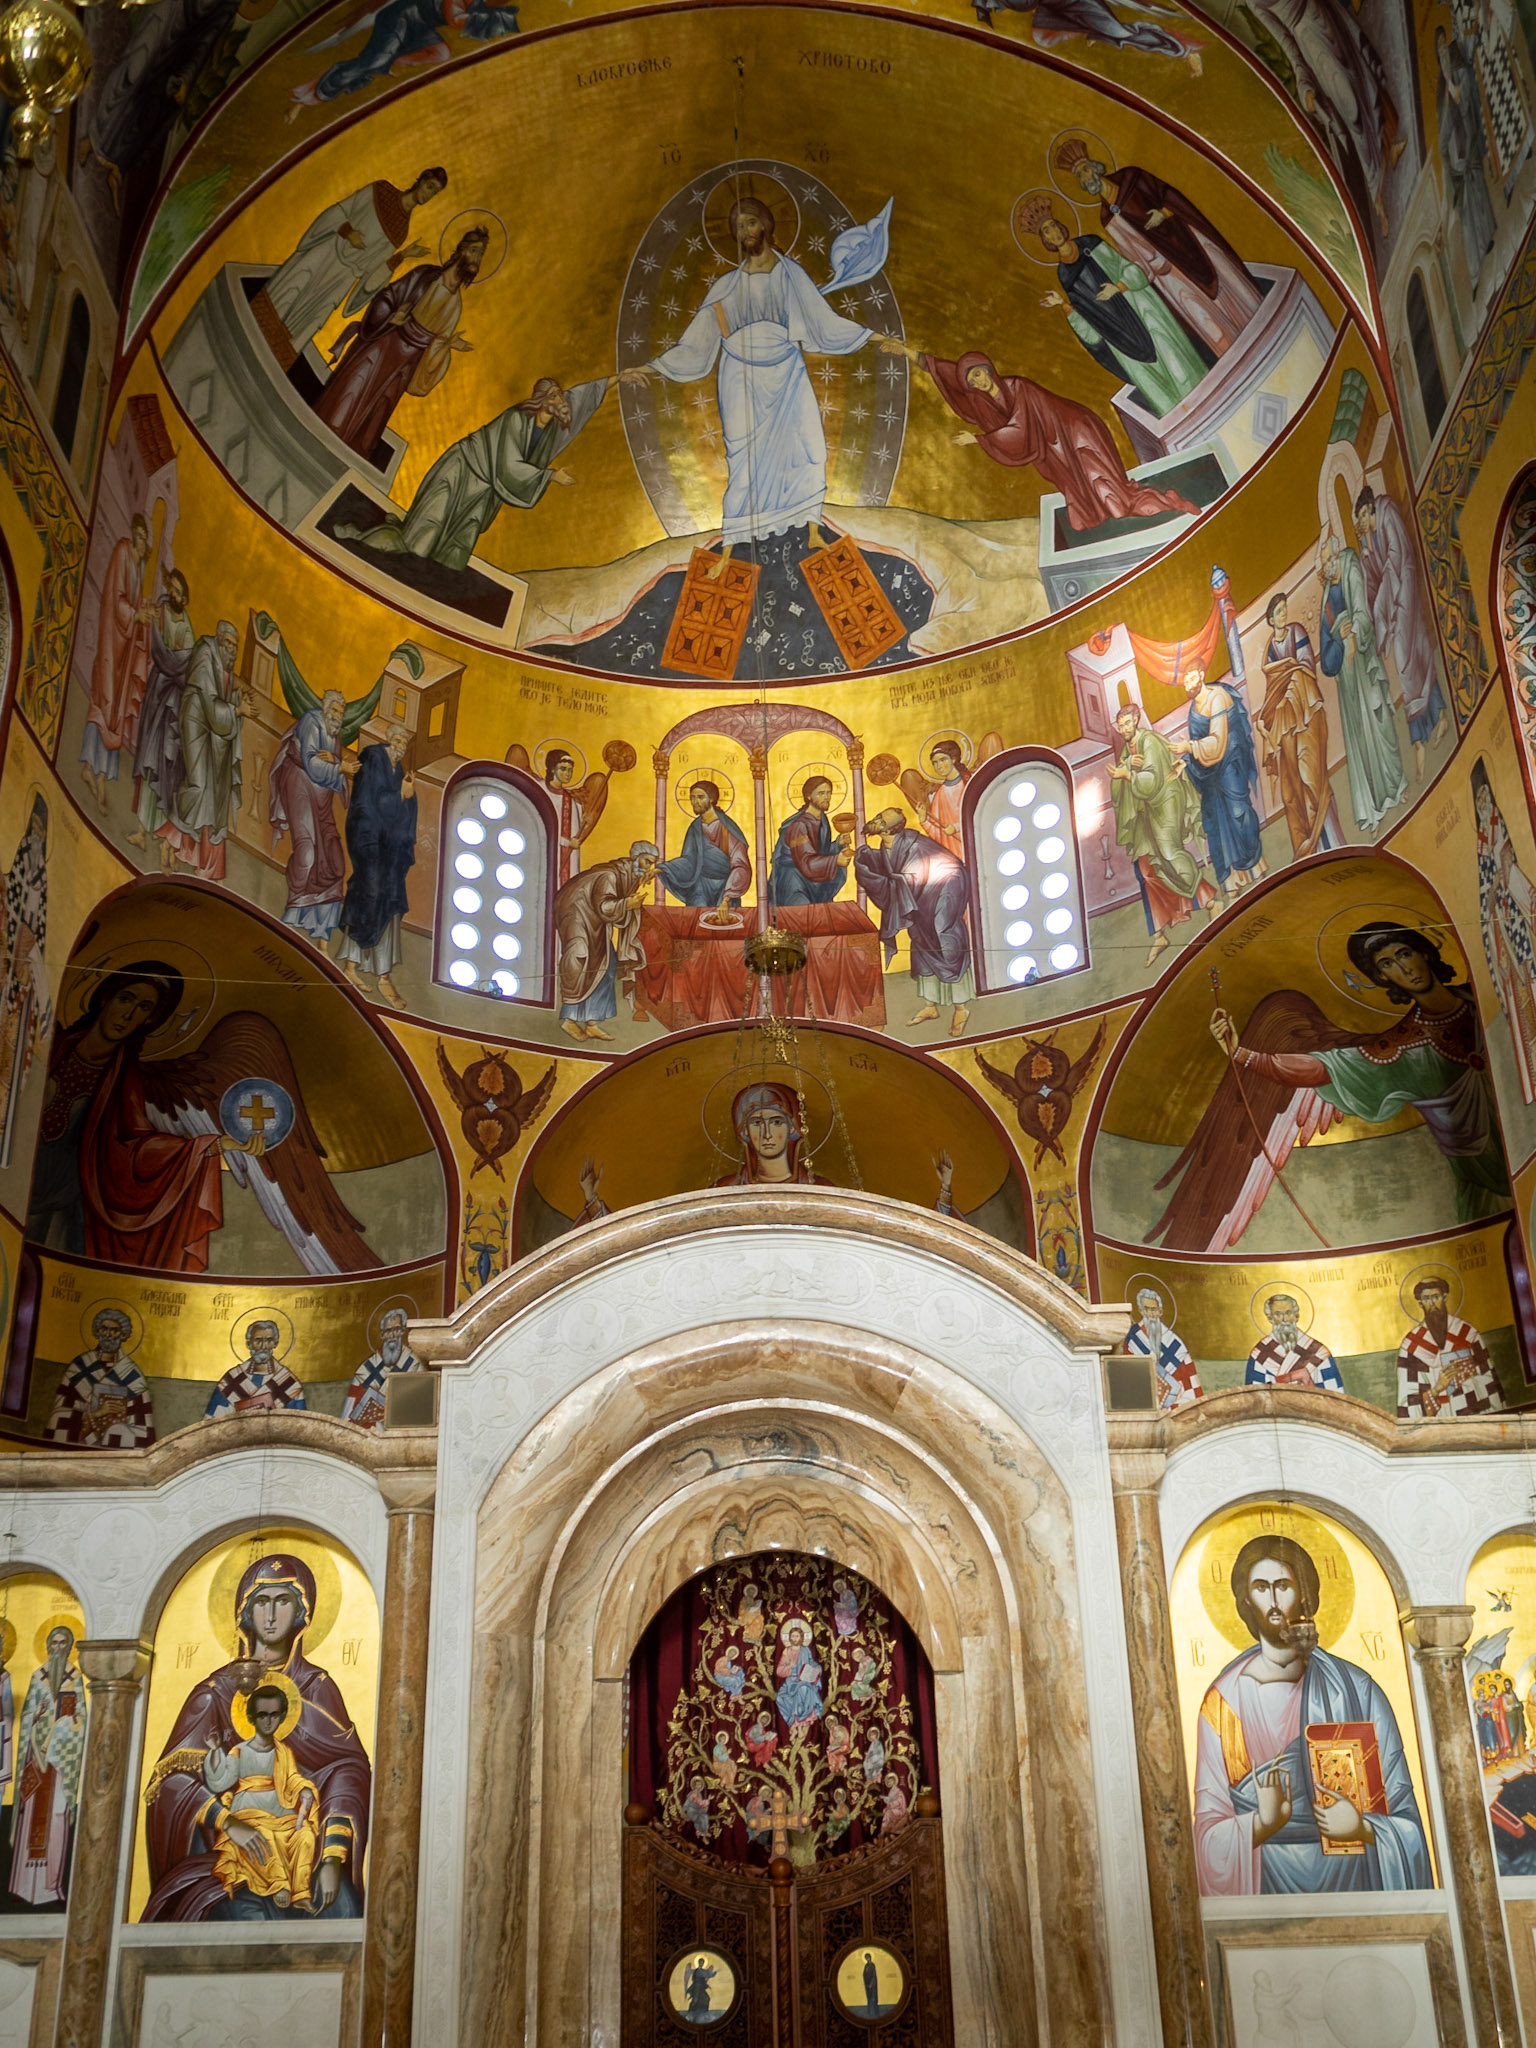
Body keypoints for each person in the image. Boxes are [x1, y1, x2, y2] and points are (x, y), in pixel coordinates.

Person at [1157, 922, 1514, 1250]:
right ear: (1383, 979)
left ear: (1424, 952)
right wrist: (1243, 1054)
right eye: (1387, 964)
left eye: (1404, 953)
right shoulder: (1402, 1046)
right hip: (1486, 1178)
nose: (1403, 968)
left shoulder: (1483, 993)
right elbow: (1322, 1067)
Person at [624, 194, 890, 565]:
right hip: (741, 377)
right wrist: (650, 368)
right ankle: (731, 546)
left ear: (766, 225)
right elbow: (696, 341)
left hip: (787, 371)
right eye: (738, 227)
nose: (745, 232)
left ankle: (812, 529)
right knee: (743, 457)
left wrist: (875, 338)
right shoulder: (726, 287)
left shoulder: (791, 275)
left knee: (809, 444)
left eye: (750, 223)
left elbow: (822, 322)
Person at [1193, 1535, 1432, 1891]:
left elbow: (1406, 1819)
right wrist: (1261, 1823)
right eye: (1261, 1588)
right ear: (1245, 1600)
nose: (1274, 1601)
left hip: (1355, 1882)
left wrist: (1362, 1828)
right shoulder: (1224, 1703)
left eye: (1284, 1586)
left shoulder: (1357, 1689)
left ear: (1305, 1595)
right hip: (1264, 1887)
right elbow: (1206, 1834)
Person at [143, 1552, 372, 1919]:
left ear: (301, 1612)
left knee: (341, 1907)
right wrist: (227, 1822)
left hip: (302, 1843)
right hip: (233, 1843)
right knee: (238, 1914)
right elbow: (170, 1780)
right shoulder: (215, 1692)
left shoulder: (317, 1688)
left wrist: (331, 1856)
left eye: (283, 1602)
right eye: (261, 1602)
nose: (270, 1615)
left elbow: (347, 1770)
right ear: (245, 1613)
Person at [337, 376, 614, 569]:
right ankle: (356, 536)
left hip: (481, 491)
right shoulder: (516, 419)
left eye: (561, 395)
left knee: (451, 557)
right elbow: (509, 466)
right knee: (416, 544)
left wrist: (619, 378)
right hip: (461, 471)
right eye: (555, 395)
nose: (562, 400)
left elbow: (582, 400)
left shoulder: (550, 430)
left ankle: (402, 531)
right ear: (542, 400)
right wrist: (550, 476)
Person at [910, 347, 1197, 532]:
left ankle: (1164, 513)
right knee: (1091, 501)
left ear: (988, 370)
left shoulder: (1018, 387)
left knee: (1109, 493)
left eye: (978, 374)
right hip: (1057, 448)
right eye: (972, 382)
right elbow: (952, 377)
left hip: (1078, 434)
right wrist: (920, 359)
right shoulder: (987, 405)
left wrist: (980, 440)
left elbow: (1021, 428)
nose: (978, 382)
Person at [1052, 139, 1262, 355]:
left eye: (1085, 169)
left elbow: (1170, 196)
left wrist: (1164, 213)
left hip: (1185, 241)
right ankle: (1234, 353)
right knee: (1199, 312)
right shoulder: (1105, 217)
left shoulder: (1132, 177)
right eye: (1080, 176)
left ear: (1095, 166)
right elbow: (1130, 251)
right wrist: (1147, 273)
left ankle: (1261, 325)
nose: (1085, 177)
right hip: (1164, 270)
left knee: (1227, 283)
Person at [1024, 201, 1213, 419]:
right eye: (1047, 232)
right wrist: (1063, 305)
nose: (1054, 233)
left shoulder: (1091, 243)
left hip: (1139, 311)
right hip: (1117, 334)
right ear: (1045, 241)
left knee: (1178, 365)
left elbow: (1129, 268)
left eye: (1054, 226)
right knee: (1157, 388)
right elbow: (1090, 323)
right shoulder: (1064, 275)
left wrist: (1118, 287)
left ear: (1061, 226)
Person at [313, 227, 487, 460]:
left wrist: (447, 347)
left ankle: (345, 459)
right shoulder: (426, 276)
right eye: (474, 250)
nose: (477, 259)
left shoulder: (456, 305)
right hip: (385, 342)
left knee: (378, 412)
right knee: (353, 390)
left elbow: (438, 343)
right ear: (461, 250)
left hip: (406, 363)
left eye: (481, 254)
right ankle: (320, 439)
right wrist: (390, 318)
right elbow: (388, 296)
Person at [251, 168, 445, 370]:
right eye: (429, 186)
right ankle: (249, 334)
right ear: (420, 180)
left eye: (435, 193)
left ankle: (268, 367)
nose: (429, 194)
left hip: (343, 276)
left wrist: (402, 256)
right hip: (329, 249)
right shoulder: (381, 190)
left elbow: (373, 270)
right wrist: (347, 231)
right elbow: (343, 210)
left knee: (314, 318)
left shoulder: (401, 231)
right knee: (291, 288)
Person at [1248, 0, 1404, 238]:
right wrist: (1304, 83)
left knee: (1363, 77)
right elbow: (1285, 42)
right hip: (1309, 40)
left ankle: (1389, 142)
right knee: (1350, 106)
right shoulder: (1254, 3)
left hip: (1322, 12)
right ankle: (1377, 192)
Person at [1108, 702, 1218, 967]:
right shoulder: (1127, 750)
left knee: (1169, 853)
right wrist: (1124, 772)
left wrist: (1127, 775)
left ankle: (1210, 901)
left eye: (1127, 724)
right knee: (1145, 869)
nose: (1124, 729)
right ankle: (1159, 934)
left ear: (1136, 720)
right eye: (1120, 726)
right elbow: (1118, 787)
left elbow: (1152, 781)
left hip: (1166, 800)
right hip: (1146, 812)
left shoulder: (1150, 742)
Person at [1354, 488, 1448, 784]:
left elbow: (1399, 555)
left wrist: (1386, 592)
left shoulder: (1387, 512)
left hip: (1404, 589)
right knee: (1406, 665)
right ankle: (1420, 736)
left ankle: (1441, 715)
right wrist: (1366, 555)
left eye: (1361, 517)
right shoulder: (1369, 538)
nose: (1361, 523)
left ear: (1370, 509)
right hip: (1393, 599)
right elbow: (1373, 578)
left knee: (1414, 656)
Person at [854, 806, 974, 1036]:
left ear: (892, 829)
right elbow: (891, 867)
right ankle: (931, 1006)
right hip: (920, 894)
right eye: (879, 816)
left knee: (944, 940)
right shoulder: (888, 844)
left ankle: (961, 1007)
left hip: (945, 889)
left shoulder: (915, 845)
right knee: (919, 940)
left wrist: (887, 880)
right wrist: (866, 857)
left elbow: (909, 876)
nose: (876, 820)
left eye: (881, 820)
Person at [1318, 529, 1408, 834]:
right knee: (1358, 736)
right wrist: (1340, 643)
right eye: (1323, 563)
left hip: (1364, 664)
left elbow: (1361, 610)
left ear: (1336, 555)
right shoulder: (1325, 599)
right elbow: (1324, 652)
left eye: (1329, 560)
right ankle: (1372, 804)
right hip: (1346, 678)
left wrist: (1354, 633)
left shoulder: (1350, 566)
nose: (1326, 567)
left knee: (1379, 721)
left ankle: (1395, 786)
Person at [202, 1683, 320, 1912]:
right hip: (249, 1808)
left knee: (304, 1835)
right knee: (262, 1836)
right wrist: (216, 1752)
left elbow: (292, 1778)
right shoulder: (240, 1750)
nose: (268, 1721)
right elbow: (220, 1781)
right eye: (263, 1715)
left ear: (282, 1717)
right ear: (252, 1717)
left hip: (279, 1809)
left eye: (274, 1715)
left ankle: (301, 1892)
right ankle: (279, 1885)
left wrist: (304, 1789)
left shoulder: (283, 1752)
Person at [158, 619, 254, 882]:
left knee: (211, 792)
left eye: (236, 647)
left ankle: (183, 848)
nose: (232, 651)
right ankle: (169, 840)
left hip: (211, 730)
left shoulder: (223, 663)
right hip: (196, 723)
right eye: (229, 645)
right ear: (219, 640)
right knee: (198, 785)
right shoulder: (204, 654)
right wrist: (237, 710)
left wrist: (237, 698)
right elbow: (212, 705)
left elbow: (221, 697)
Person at [335, 722, 417, 1011]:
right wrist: (401, 797)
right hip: (369, 843)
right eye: (398, 740)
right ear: (388, 739)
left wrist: (406, 799)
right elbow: (367, 801)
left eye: (405, 743)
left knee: (392, 901)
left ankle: (384, 975)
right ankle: (350, 964)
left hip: (391, 854)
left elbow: (408, 810)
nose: (401, 746)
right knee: (367, 894)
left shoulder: (401, 771)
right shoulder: (372, 758)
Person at [1255, 592, 1342, 859]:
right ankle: (1311, 847)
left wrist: (1291, 688)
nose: (1284, 614)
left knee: (1313, 776)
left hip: (1306, 716)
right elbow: (1273, 688)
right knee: (1293, 785)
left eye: (1284, 609)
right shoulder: (1271, 648)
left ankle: (1333, 842)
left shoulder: (1296, 631)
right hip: (1287, 726)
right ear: (1271, 619)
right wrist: (1272, 715)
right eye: (1279, 612)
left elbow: (1306, 667)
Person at [1169, 663, 1266, 901]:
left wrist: (1189, 747)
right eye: (1184, 681)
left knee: (1237, 812)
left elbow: (1218, 742)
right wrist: (1186, 762)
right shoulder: (1194, 709)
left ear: (1201, 675)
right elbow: (1202, 746)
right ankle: (1230, 880)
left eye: (1190, 678)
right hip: (1210, 770)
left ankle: (1254, 866)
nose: (1187, 684)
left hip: (1230, 762)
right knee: (1212, 820)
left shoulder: (1217, 698)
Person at [79, 513, 153, 812]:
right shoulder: (124, 552)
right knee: (104, 699)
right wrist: (134, 614)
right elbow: (115, 595)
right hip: (113, 638)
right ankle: (89, 767)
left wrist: (144, 611)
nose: (143, 541)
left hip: (126, 645)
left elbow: (134, 601)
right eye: (140, 535)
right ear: (135, 535)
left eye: (145, 537)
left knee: (117, 708)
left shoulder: (140, 564)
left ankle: (100, 775)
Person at [269, 689, 355, 946]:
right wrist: (339, 767)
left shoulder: (334, 735)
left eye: (342, 712)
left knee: (334, 862)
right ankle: (294, 909)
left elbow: (331, 765)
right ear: (325, 708)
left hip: (322, 799)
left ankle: (319, 929)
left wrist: (337, 763)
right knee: (307, 852)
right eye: (336, 710)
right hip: (299, 788)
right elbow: (311, 763)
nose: (338, 716)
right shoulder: (311, 722)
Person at [1472, 759, 1536, 1101]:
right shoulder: (1484, 849)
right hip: (1507, 937)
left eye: (1487, 797)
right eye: (1479, 800)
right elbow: (1487, 898)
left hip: (1521, 933)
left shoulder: (1501, 834)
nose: (1484, 804)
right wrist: (1496, 882)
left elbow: (1515, 879)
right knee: (1524, 1003)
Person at [553, 841, 659, 1040]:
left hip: (595, 920)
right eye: (647, 862)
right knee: (579, 957)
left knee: (608, 966)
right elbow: (605, 907)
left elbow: (610, 912)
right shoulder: (610, 875)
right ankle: (569, 1019)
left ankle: (592, 1021)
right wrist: (628, 903)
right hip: (575, 911)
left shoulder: (630, 877)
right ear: (636, 858)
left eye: (652, 864)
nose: (649, 867)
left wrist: (628, 905)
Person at [9, 1626, 85, 1905]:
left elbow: (81, 1719)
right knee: (31, 1819)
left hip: (62, 1762)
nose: (58, 1647)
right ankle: (25, 1886)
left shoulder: (75, 1678)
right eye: (54, 1642)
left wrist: (62, 1730)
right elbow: (27, 1713)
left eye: (64, 1643)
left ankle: (51, 1885)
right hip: (36, 1761)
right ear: (47, 1645)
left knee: (58, 1818)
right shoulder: (37, 1677)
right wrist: (36, 1724)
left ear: (71, 1646)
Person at [127, 569, 197, 861]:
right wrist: (175, 662)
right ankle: (141, 830)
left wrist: (178, 662)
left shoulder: (187, 623)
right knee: (151, 759)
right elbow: (162, 652)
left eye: (183, 593)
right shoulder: (161, 611)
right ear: (171, 587)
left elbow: (189, 660)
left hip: (175, 698)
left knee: (168, 766)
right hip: (159, 694)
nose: (178, 596)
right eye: (176, 590)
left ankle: (158, 831)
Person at [0, 793, 49, 1166]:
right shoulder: (10, 881)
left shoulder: (40, 887)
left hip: (21, 992)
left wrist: (29, 954)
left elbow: (41, 942)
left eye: (41, 831)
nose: (36, 837)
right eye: (33, 828)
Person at [1435, 26, 1497, 292]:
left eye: (1443, 45)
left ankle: (1489, 238)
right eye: (1438, 50)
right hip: (1456, 152)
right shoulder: (1442, 86)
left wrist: (1454, 86)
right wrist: (1442, 145)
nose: (1442, 51)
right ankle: (1474, 272)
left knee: (1478, 193)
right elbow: (1445, 122)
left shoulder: (1459, 71)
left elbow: (1467, 95)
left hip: (1468, 141)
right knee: (1465, 212)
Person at [45, 1305, 156, 1446]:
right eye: (104, 1329)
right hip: (82, 1432)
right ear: (97, 1332)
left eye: (114, 1330)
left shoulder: (132, 1373)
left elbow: (143, 1424)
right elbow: (62, 1409)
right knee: (57, 1418)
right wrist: (98, 1414)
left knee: (121, 1431)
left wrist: (121, 1415)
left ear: (123, 1335)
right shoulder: (80, 1366)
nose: (108, 1335)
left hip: (115, 1431)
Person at [1397, 1277, 1504, 1417]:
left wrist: (1466, 1379)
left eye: (1436, 1297)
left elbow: (1490, 1382)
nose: (1432, 1303)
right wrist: (1436, 1389)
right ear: (1420, 1303)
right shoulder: (1410, 1347)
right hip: (1438, 1425)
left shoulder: (1467, 1334)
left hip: (1471, 1414)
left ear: (1445, 1297)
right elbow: (1406, 1400)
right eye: (1426, 1298)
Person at [658, 780, 752, 913]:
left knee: (725, 927)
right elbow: (689, 860)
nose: (695, 802)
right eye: (692, 798)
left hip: (726, 887)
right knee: (695, 922)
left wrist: (727, 898)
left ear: (712, 799)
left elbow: (740, 865)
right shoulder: (695, 828)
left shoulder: (726, 828)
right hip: (699, 886)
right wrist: (663, 869)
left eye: (700, 797)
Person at [769, 775, 850, 907]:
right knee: (803, 917)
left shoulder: (822, 819)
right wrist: (835, 860)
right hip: (794, 883)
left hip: (811, 878)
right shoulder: (799, 826)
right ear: (809, 797)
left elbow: (817, 852)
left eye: (828, 793)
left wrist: (837, 844)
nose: (826, 797)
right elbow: (806, 860)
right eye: (821, 793)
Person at [205, 1321, 307, 1419]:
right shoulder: (232, 1379)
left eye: (269, 1340)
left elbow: (300, 1423)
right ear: (249, 1344)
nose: (263, 1346)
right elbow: (213, 1423)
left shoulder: (289, 1382)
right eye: (258, 1340)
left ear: (275, 1344)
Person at [340, 1306, 422, 1428]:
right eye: (387, 1331)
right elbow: (349, 1415)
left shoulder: (414, 1364)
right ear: (382, 1335)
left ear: (403, 1331)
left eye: (396, 1329)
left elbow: (421, 1405)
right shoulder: (366, 1370)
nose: (392, 1335)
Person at [1123, 1285, 1203, 1408]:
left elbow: (1189, 1382)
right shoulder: (1133, 1338)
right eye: (1147, 1309)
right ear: (1140, 1310)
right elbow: (1128, 1375)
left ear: (1161, 1312)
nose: (1151, 1314)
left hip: (1174, 1403)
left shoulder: (1173, 1342)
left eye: (1154, 1309)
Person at [1244, 1294, 1343, 1390]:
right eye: (1278, 1314)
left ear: (1296, 1315)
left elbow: (1334, 1396)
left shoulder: (1318, 1352)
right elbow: (1255, 1397)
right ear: (1270, 1318)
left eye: (1288, 1313)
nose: (1284, 1319)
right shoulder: (1260, 1353)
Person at [775, 1620, 824, 1727]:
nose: (795, 1639)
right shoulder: (787, 1652)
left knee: (803, 1690)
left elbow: (811, 1662)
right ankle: (792, 1721)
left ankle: (802, 1719)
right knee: (779, 1698)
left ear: (801, 1637)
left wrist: (817, 1668)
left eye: (797, 1636)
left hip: (804, 1680)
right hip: (790, 1682)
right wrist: (790, 1666)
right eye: (793, 1636)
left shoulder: (805, 1650)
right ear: (789, 1638)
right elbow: (779, 1671)